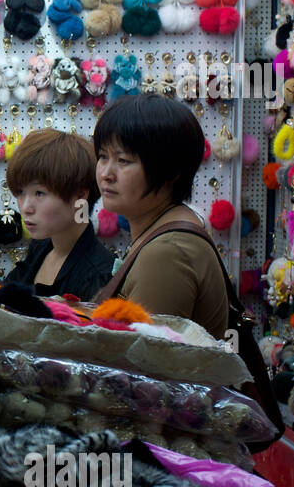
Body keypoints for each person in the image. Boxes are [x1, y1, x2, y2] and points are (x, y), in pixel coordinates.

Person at [92, 94, 230, 338]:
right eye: (103, 156)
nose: (106, 173)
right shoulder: (163, 232)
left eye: (123, 160)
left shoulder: (168, 252)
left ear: (171, 172)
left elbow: (139, 365)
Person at [0, 129, 115, 300]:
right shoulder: (41, 247)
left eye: (39, 193)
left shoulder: (99, 275)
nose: (25, 207)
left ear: (80, 195)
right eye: (21, 192)